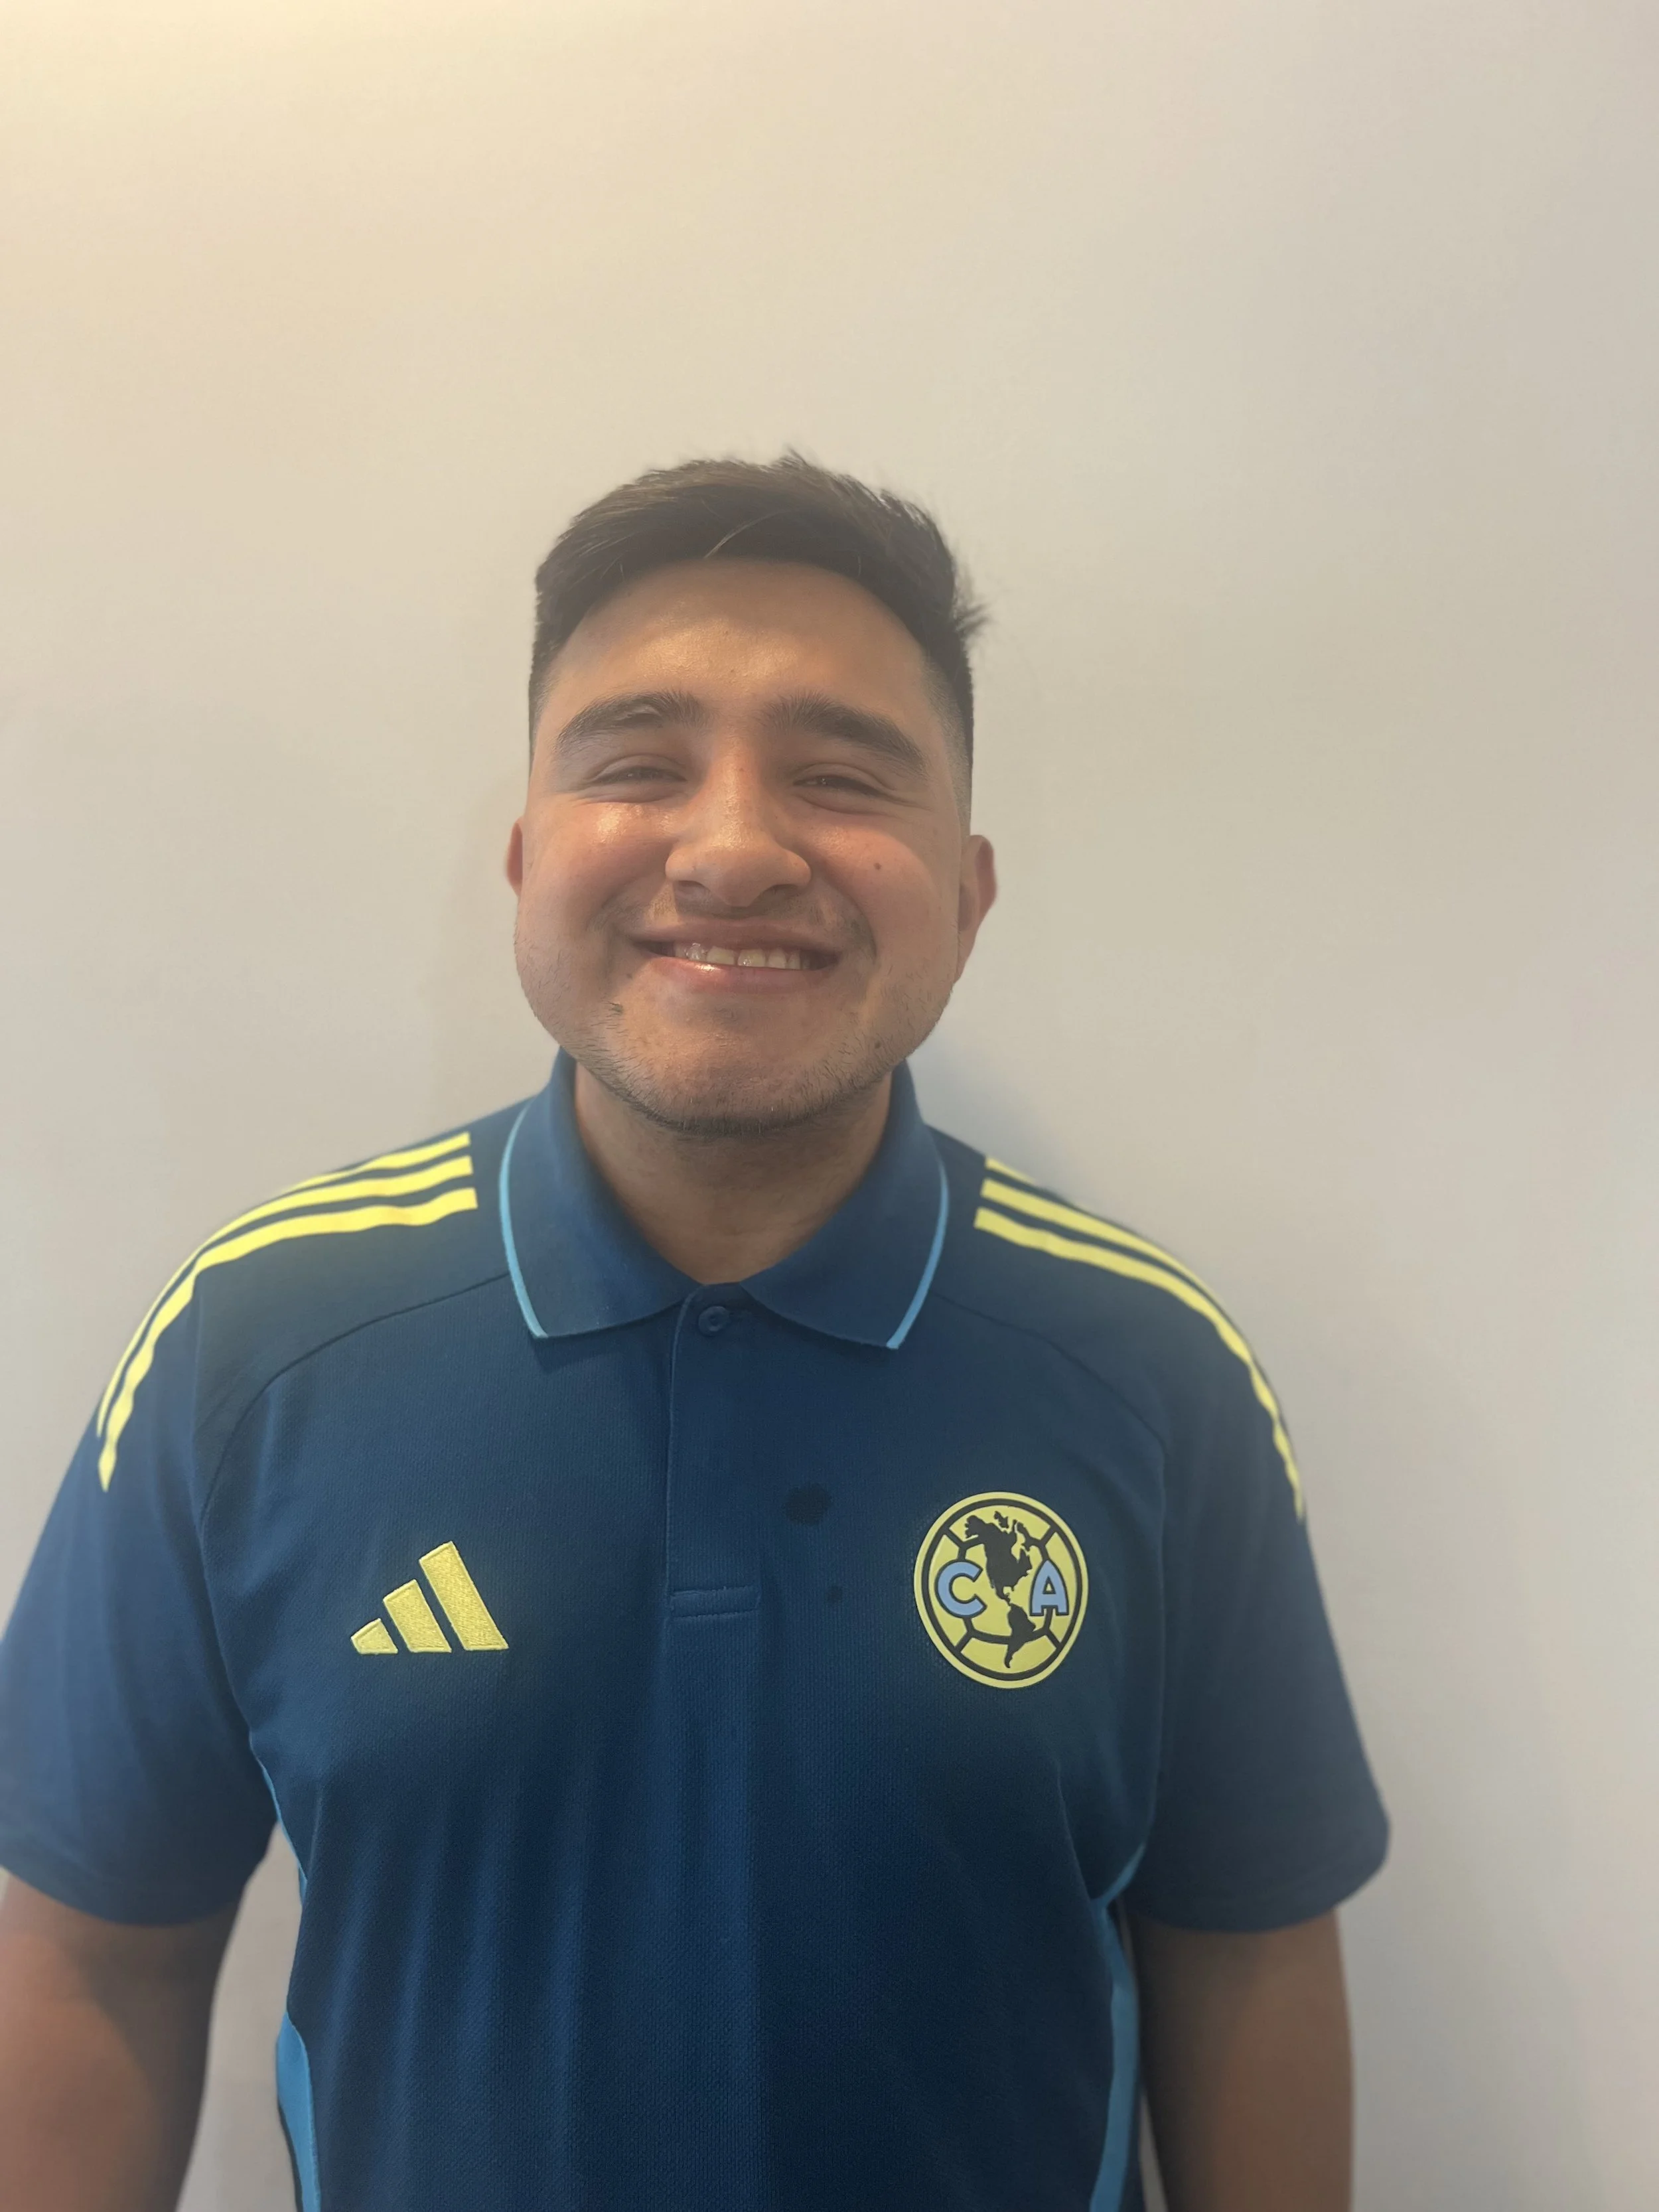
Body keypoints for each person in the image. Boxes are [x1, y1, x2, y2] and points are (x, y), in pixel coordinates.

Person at [0, 453, 1388, 2212]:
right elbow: (95, 1952)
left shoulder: (1148, 1373)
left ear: (964, 895)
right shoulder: (249, 1352)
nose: (732, 846)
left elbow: (1246, 1950)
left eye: (837, 772)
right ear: (523, 865)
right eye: (638, 761)